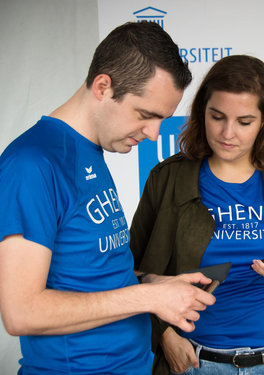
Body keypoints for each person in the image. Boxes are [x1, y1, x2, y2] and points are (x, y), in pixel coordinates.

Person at [0, 21, 216, 375]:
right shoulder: (32, 164)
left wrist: (151, 282)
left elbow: (88, 270)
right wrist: (148, 299)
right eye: (146, 115)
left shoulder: (91, 151)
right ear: (103, 86)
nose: (152, 134)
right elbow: (21, 311)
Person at [129, 55, 264, 375]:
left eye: (244, 122)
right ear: (201, 111)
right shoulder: (168, 179)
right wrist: (163, 335)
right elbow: (130, 272)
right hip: (193, 362)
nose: (227, 133)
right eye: (216, 116)